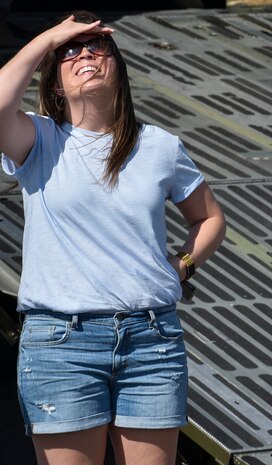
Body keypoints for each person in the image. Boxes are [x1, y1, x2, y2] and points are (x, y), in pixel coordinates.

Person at [0, 11, 226, 465]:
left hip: (152, 339)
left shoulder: (160, 146)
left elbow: (210, 218)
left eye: (95, 46)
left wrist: (183, 264)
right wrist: (50, 36)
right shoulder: (37, 138)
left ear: (118, 68)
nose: (83, 52)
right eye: (68, 53)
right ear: (54, 83)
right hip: (61, 343)